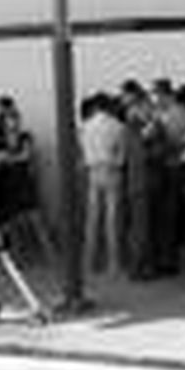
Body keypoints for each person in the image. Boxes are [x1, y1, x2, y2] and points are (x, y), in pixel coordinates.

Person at [81, 93, 127, 277]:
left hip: (92, 170)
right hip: (112, 170)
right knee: (112, 218)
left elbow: (83, 149)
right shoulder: (118, 126)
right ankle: (113, 264)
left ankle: (90, 262)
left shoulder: (85, 126)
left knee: (92, 218)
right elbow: (122, 155)